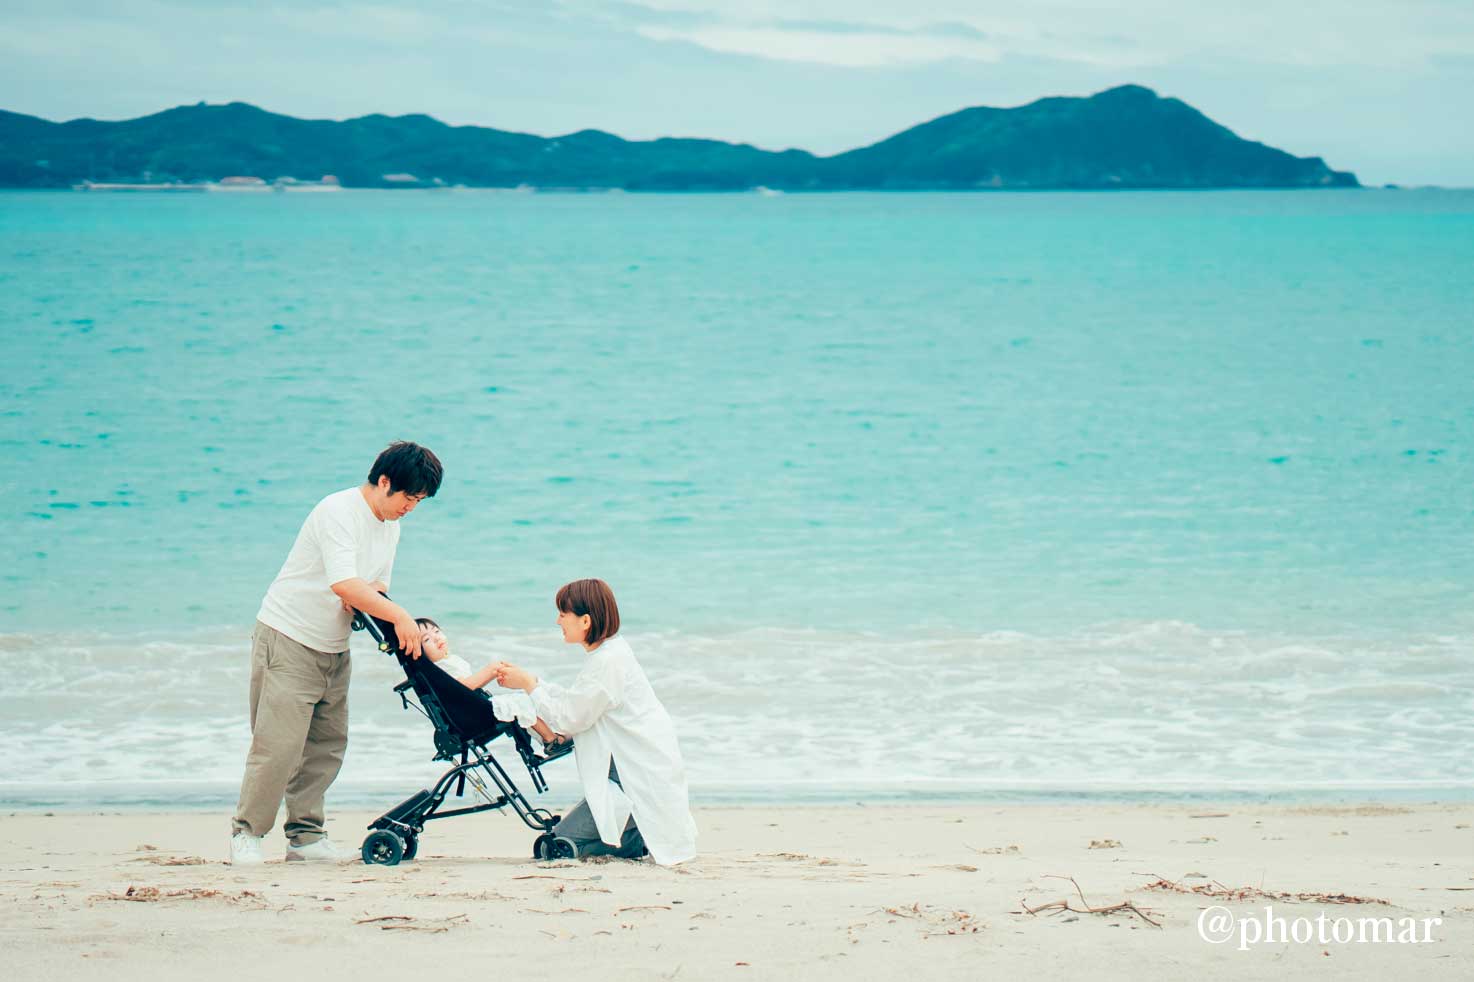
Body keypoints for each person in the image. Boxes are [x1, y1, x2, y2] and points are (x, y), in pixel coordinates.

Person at [229, 441, 443, 865]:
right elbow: (344, 583)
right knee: (278, 745)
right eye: (408, 497)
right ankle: (247, 833)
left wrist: (367, 598)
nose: (411, 508)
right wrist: (399, 616)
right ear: (384, 481)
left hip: (334, 646)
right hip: (289, 635)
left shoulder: (390, 525)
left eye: (419, 501)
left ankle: (305, 839)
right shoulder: (338, 510)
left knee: (326, 746)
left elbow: (373, 586)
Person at [492, 579, 697, 866]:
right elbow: (579, 702)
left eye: (563, 614)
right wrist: (534, 684)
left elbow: (569, 718)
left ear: (585, 621)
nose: (558, 621)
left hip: (635, 777)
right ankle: (635, 833)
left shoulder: (607, 661)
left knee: (553, 845)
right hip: (639, 770)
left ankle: (633, 836)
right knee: (567, 838)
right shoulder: (611, 653)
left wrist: (528, 685)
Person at [415, 616, 567, 753]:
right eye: (427, 639)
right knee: (519, 702)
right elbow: (463, 688)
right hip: (473, 715)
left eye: (436, 631)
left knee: (521, 701)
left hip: (475, 708)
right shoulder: (441, 669)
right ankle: (551, 740)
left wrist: (494, 673)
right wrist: (490, 671)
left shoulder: (446, 663)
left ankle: (550, 736)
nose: (436, 638)